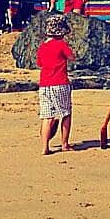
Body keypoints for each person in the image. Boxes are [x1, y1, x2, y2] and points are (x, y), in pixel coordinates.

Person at [37, 13, 76, 154]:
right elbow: (72, 57)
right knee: (66, 113)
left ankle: (45, 147)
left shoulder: (42, 46)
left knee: (47, 116)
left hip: (44, 85)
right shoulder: (61, 45)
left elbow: (40, 63)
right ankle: (64, 143)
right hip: (60, 82)